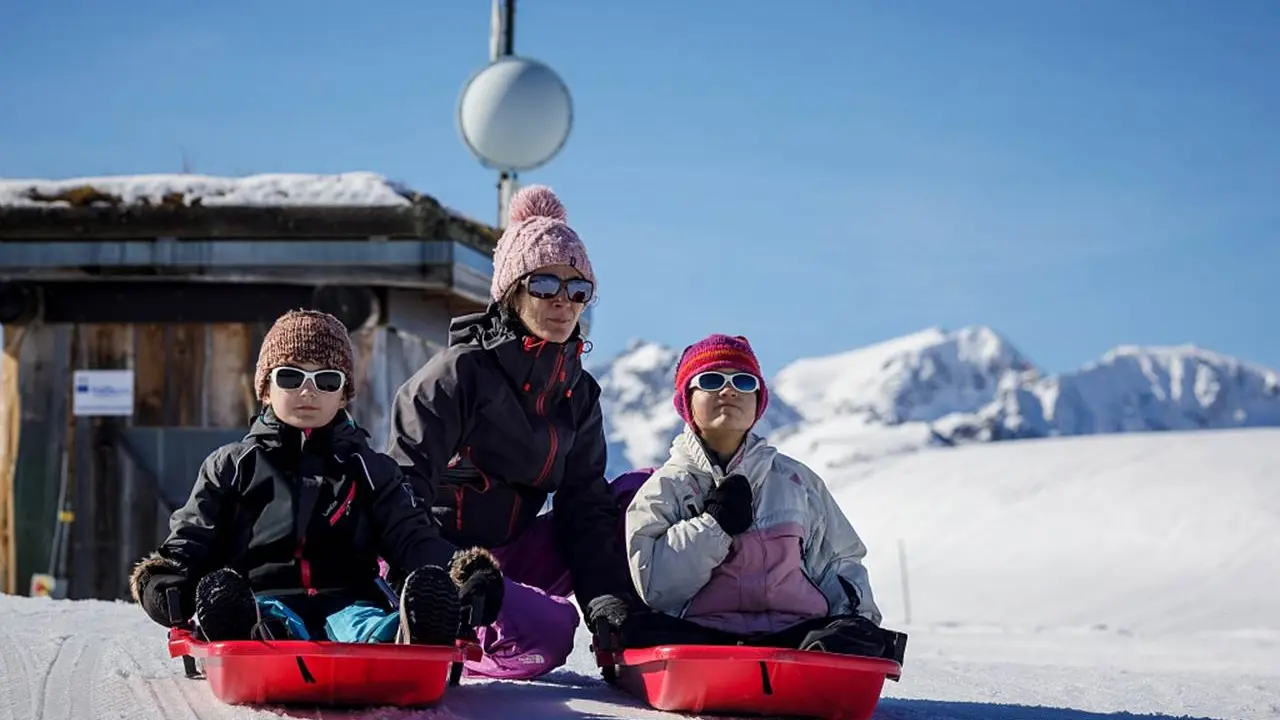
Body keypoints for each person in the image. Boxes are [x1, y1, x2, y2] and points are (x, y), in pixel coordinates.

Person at [129, 309, 503, 645]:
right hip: (261, 597)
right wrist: (166, 577)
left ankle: (412, 629)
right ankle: (241, 628)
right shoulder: (232, 467)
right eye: (291, 377)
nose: (308, 390)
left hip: (350, 599)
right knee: (264, 616)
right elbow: (193, 536)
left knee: (365, 625)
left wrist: (460, 574)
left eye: (326, 380)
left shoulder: (371, 470)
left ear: (343, 396)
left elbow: (414, 539)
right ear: (265, 389)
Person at [387, 185, 639, 679]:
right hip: (434, 560)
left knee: (639, 495)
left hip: (511, 558)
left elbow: (584, 509)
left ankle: (640, 630)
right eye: (545, 284)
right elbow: (400, 493)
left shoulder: (579, 394)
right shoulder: (458, 375)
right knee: (548, 633)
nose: (563, 302)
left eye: (578, 290)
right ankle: (436, 629)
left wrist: (607, 599)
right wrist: (448, 571)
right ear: (511, 292)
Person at [623, 334, 905, 660]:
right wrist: (713, 526)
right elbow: (657, 587)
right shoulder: (666, 487)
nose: (728, 390)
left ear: (759, 399)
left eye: (743, 382)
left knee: (852, 637)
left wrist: (857, 626)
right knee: (644, 632)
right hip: (701, 635)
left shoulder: (797, 482)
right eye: (711, 380)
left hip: (796, 634)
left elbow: (839, 563)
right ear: (687, 400)